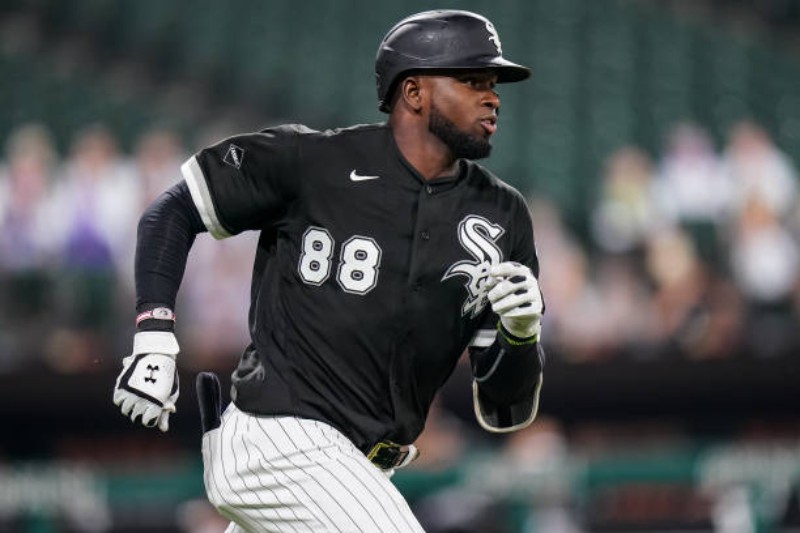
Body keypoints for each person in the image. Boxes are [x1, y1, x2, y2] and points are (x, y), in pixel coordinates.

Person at [113, 9, 546, 532]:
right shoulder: (314, 161)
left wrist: (521, 336)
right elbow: (173, 211)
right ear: (414, 93)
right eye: (473, 80)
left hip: (362, 471)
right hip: (278, 440)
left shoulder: (502, 214)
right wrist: (154, 337)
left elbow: (504, 411)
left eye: (493, 84)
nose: (492, 97)